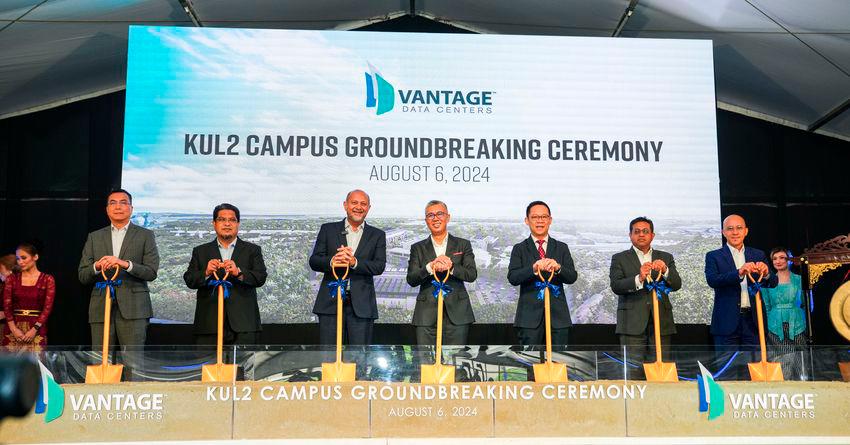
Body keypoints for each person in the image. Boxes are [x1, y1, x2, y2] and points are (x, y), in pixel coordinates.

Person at [78, 189, 160, 348]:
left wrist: (125, 264)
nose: (118, 207)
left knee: (133, 362)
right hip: (100, 306)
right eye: (113, 203)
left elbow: (151, 272)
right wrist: (97, 266)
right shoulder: (95, 237)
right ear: (107, 209)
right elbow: (83, 275)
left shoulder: (145, 235)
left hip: (134, 308)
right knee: (101, 361)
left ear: (131, 208)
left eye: (123, 202)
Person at [309, 189, 386, 347]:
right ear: (345, 205)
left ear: (369, 208)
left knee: (359, 359)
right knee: (329, 356)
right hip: (330, 303)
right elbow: (314, 260)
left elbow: (379, 266)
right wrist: (333, 261)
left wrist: (354, 262)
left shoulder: (377, 234)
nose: (359, 207)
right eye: (354, 203)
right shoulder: (328, 229)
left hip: (362, 306)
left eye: (363, 204)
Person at [183, 203, 267, 345]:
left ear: (238, 223)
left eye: (232, 220)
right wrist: (206, 272)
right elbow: (189, 280)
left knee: (243, 367)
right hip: (209, 325)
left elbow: (260, 277)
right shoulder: (200, 251)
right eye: (222, 220)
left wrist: (239, 272)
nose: (227, 224)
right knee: (208, 367)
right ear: (214, 223)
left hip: (244, 325)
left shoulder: (252, 250)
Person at [704, 214, 776, 376]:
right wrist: (739, 272)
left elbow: (773, 282)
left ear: (746, 231)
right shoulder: (714, 256)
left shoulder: (758, 254)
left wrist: (765, 274)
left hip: (753, 322)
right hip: (726, 322)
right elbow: (712, 280)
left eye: (739, 228)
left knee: (755, 370)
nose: (734, 232)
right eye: (730, 229)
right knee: (726, 372)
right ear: (723, 232)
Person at [609, 217, 681, 376]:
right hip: (631, 324)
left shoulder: (666, 257)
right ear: (630, 235)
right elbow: (616, 286)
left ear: (652, 235)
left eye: (645, 231)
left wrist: (666, 271)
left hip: (661, 323)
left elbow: (676, 284)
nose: (641, 235)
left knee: (661, 374)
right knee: (633, 374)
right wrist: (639, 278)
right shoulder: (619, 258)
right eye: (637, 231)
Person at [407, 200, 477, 347]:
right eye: (430, 215)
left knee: (456, 362)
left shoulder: (463, 244)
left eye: (440, 214)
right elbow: (411, 279)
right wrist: (429, 267)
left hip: (458, 313)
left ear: (448, 217)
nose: (435, 218)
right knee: (426, 361)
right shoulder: (417, 247)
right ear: (426, 220)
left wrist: (451, 267)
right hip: (426, 314)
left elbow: (471, 275)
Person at [508, 201, 577, 348]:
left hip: (558, 318)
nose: (540, 221)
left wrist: (558, 268)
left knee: (559, 362)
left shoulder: (562, 247)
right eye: (535, 217)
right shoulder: (519, 248)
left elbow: (572, 277)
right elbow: (513, 277)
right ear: (527, 220)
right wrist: (533, 268)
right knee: (530, 364)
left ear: (550, 220)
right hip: (528, 318)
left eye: (544, 217)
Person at [761, 247, 807, 379]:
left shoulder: (799, 279)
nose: (778, 261)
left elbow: (807, 303)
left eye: (782, 257)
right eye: (774, 258)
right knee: (784, 357)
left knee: (801, 356)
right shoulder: (767, 282)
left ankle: (805, 386)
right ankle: (785, 387)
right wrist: (770, 324)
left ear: (790, 260)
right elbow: (767, 306)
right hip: (775, 325)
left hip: (798, 323)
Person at [3, 243, 55, 351]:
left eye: (24, 258)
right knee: (10, 366)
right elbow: (7, 306)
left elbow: (47, 308)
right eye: (18, 259)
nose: (20, 262)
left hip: (36, 329)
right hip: (13, 329)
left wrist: (34, 329)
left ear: (35, 257)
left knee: (35, 365)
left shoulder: (47, 279)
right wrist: (14, 329)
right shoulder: (12, 279)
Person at [0, 254, 17, 325]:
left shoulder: (17, 286)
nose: (0, 272)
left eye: (1, 269)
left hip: (9, 325)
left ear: (10, 271)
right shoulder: (3, 284)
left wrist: (5, 314)